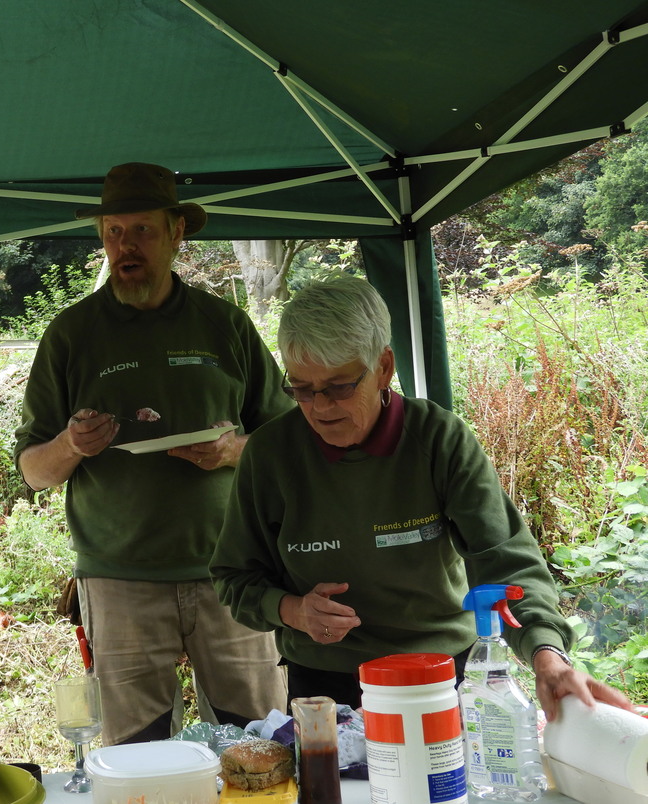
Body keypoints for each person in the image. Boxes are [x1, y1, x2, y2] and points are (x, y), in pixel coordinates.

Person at [210, 274, 633, 719]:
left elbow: (505, 558)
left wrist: (546, 653)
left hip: (440, 672)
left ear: (384, 367)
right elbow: (235, 577)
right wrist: (292, 610)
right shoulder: (270, 454)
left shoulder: (438, 440)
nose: (320, 407)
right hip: (324, 682)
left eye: (339, 387)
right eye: (300, 389)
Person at [14, 162, 292, 744]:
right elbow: (34, 472)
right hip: (119, 582)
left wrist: (232, 449)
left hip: (232, 577)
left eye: (141, 230)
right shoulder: (71, 335)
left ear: (175, 234)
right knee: (136, 755)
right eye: (113, 231)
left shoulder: (225, 325)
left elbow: (289, 443)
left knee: (262, 746)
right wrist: (70, 444)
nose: (125, 246)